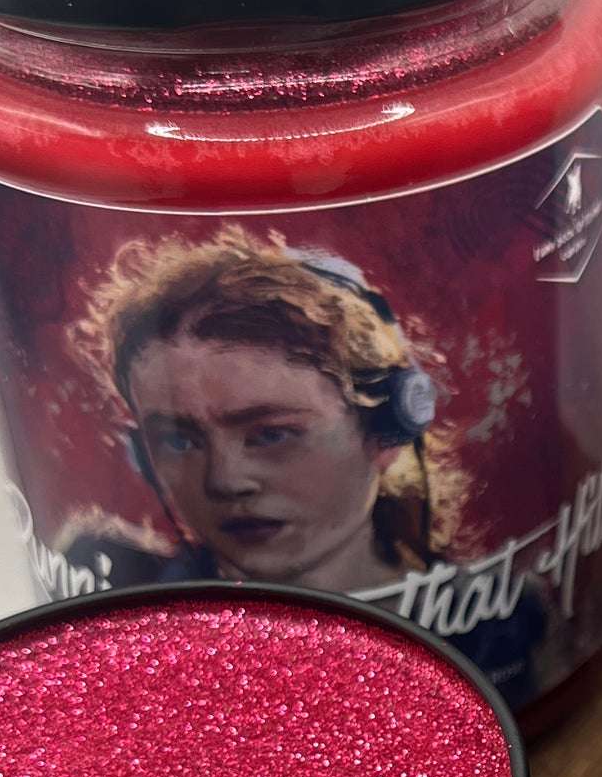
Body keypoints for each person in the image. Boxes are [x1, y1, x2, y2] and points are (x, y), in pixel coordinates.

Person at [55, 229, 465, 597]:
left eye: (271, 434)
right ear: (143, 455)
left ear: (384, 433)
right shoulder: (120, 605)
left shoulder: (493, 628)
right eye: (178, 441)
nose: (225, 481)